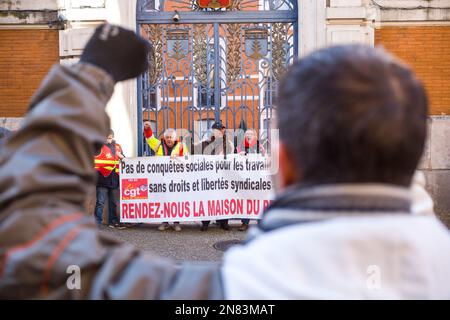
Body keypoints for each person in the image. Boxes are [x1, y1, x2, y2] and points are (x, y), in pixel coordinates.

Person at [1, 23, 450, 299]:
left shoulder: (221, 293)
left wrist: (88, 76)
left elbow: (31, 245)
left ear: (284, 160)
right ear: (410, 152)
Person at [144, 124, 188, 231]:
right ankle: (165, 222)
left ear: (175, 138)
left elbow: (187, 159)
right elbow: (150, 139)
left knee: (176, 200)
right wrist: (148, 129)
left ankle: (176, 222)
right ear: (164, 138)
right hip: (162, 179)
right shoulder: (159, 145)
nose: (169, 139)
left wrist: (178, 159)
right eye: (167, 137)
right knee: (164, 200)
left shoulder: (182, 146)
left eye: (171, 137)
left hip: (176, 179)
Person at [196, 121, 234, 231]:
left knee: (224, 198)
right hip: (209, 177)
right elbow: (194, 152)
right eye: (217, 130)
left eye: (221, 129)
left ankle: (224, 222)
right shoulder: (206, 143)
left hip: (223, 176)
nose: (220, 131)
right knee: (208, 198)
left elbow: (233, 157)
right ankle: (205, 222)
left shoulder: (229, 143)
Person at [93, 129, 124, 228]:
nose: (108, 140)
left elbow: (124, 159)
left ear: (112, 137)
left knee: (113, 202)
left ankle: (113, 221)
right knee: (100, 202)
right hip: (102, 179)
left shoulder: (118, 147)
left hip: (114, 179)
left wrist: (122, 157)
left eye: (110, 138)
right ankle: (97, 222)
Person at [236, 128, 266, 231]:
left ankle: (260, 221)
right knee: (246, 200)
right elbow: (235, 159)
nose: (248, 135)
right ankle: (244, 223)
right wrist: (239, 156)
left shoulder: (259, 146)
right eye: (247, 134)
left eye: (251, 134)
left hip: (257, 178)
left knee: (258, 200)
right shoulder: (240, 147)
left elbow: (264, 158)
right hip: (244, 178)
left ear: (255, 135)